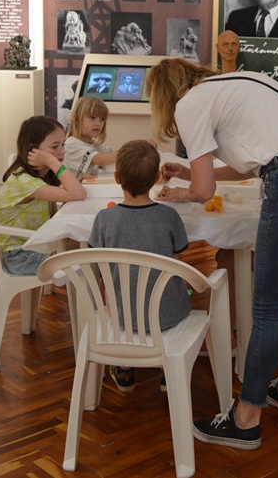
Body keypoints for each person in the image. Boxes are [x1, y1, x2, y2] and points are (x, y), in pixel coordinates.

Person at [146, 57, 278, 450]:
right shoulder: (244, 80)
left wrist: (181, 192)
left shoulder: (189, 104)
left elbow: (204, 192)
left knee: (268, 307)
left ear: (164, 94)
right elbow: (254, 163)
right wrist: (189, 173)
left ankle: (246, 418)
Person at [88, 140, 190, 394]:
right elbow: (179, 252)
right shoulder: (169, 216)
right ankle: (166, 366)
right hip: (168, 312)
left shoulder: (104, 219)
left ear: (116, 178)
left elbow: (97, 260)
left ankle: (124, 367)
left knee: (115, 279)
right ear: (157, 178)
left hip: (121, 315)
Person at [0, 116, 86, 275]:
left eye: (63, 145)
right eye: (54, 146)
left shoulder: (42, 177)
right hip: (20, 257)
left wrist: (72, 186)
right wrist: (52, 161)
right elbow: (78, 193)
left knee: (87, 244)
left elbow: (55, 215)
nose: (62, 151)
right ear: (33, 149)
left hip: (36, 245)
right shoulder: (24, 181)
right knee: (89, 250)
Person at [63, 96, 116, 179]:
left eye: (102, 119)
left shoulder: (94, 145)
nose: (98, 123)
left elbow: (111, 156)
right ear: (76, 119)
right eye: (92, 118)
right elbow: (100, 159)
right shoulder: (71, 144)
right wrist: (129, 151)